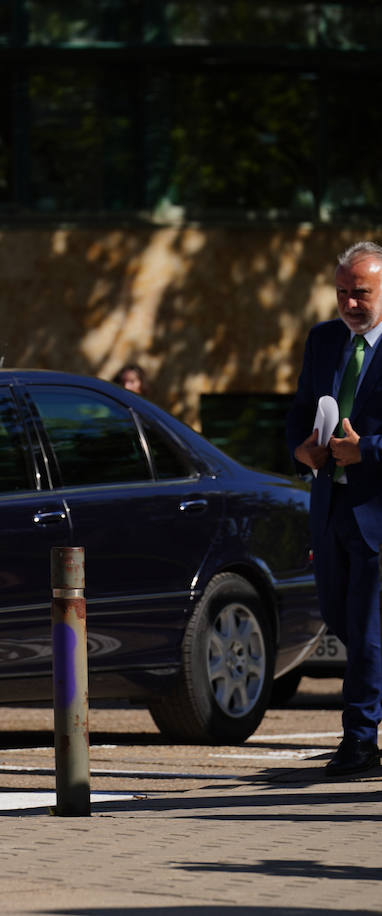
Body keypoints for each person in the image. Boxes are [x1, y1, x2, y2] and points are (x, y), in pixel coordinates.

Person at [287, 240, 382, 776]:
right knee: (339, 618)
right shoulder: (324, 342)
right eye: (342, 293)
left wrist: (364, 449)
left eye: (361, 293)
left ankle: (360, 742)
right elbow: (299, 410)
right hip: (329, 505)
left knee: (366, 630)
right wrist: (301, 449)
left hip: (375, 510)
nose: (349, 304)